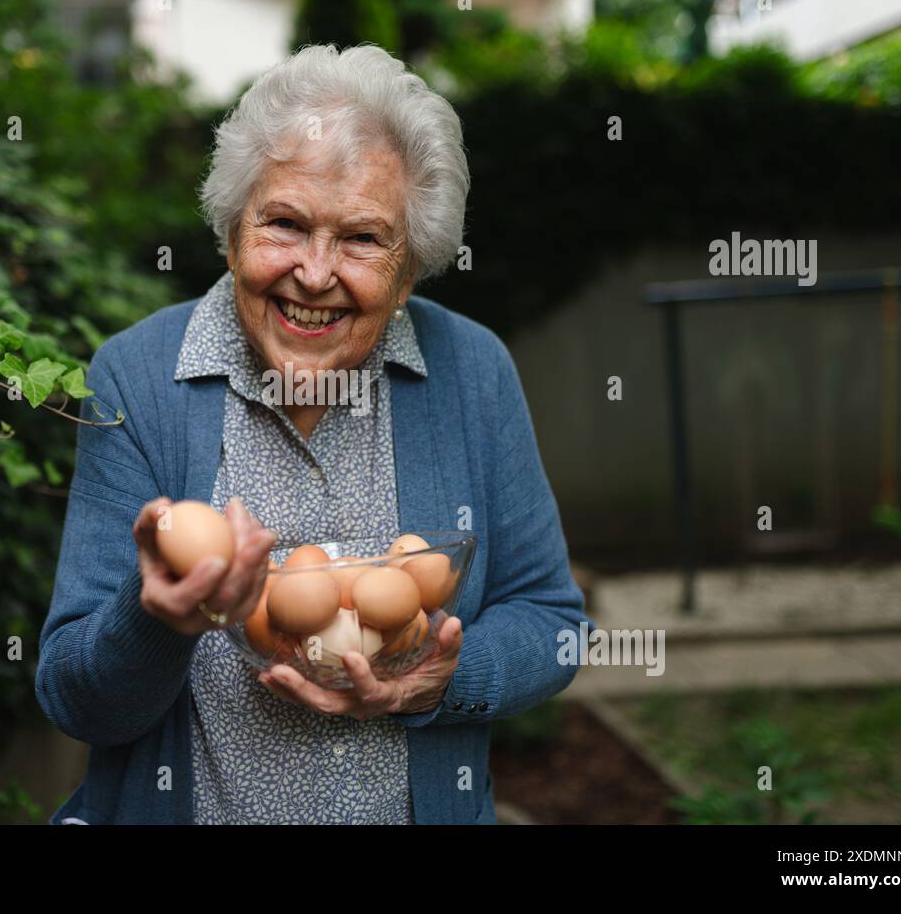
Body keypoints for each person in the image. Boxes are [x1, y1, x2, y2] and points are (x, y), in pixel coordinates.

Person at [36, 44, 588, 824]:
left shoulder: (472, 373)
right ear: (232, 235)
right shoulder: (138, 378)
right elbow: (73, 697)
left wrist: (442, 678)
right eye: (285, 224)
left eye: (362, 239)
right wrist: (156, 619)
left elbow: (553, 622)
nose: (316, 273)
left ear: (408, 276)